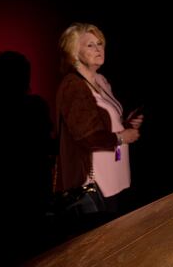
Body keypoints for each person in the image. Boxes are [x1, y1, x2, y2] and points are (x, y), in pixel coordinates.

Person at [54, 22, 142, 230]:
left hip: (114, 176)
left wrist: (126, 124)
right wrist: (122, 137)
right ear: (73, 52)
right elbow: (86, 136)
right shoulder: (73, 86)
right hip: (94, 181)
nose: (98, 49)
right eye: (90, 45)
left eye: (100, 43)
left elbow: (103, 122)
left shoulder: (100, 80)